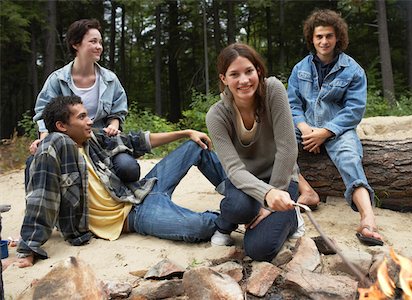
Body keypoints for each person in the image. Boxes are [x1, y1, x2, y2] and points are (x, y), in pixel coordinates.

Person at [16, 95, 226, 267]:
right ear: (62, 126)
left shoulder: (93, 139)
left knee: (196, 145)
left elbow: (137, 141)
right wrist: (28, 248)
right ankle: (233, 215)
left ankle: (236, 195)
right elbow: (41, 197)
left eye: (87, 115)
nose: (89, 121)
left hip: (141, 191)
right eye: (82, 117)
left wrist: (186, 133)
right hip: (134, 216)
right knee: (201, 228)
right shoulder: (53, 148)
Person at [287, 9, 383, 246]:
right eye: (319, 36)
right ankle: (307, 191)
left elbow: (354, 110)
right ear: (312, 38)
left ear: (337, 37)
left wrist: (325, 132)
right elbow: (292, 104)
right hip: (305, 128)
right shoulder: (300, 69)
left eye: (329, 36)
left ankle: (367, 218)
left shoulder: (353, 70)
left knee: (350, 159)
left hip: (338, 130)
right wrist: (305, 128)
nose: (324, 41)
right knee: (276, 144)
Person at [206, 43, 306, 262]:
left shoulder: (273, 90)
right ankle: (227, 224)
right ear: (224, 79)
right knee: (236, 207)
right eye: (234, 74)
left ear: (258, 71)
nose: (243, 80)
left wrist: (274, 196)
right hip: (245, 181)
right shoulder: (216, 115)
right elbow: (233, 169)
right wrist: (266, 197)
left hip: (280, 178)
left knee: (259, 249)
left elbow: (288, 147)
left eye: (249, 71)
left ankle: (293, 217)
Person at [26, 18, 139, 184]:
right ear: (75, 44)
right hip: (67, 143)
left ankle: (124, 203)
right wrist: (44, 139)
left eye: (100, 42)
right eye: (93, 41)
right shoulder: (57, 80)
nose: (99, 46)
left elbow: (118, 111)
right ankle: (38, 209)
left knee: (129, 168)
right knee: (32, 164)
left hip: (103, 142)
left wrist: (113, 126)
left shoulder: (110, 79)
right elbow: (43, 113)